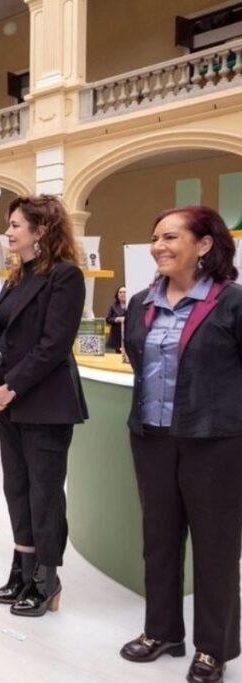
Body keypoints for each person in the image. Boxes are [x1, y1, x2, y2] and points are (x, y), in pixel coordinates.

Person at [119, 206, 242, 683]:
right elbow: (139, 363)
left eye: (170, 237)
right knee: (159, 540)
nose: (158, 246)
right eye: (155, 237)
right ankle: (162, 631)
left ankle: (213, 648)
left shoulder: (231, 303)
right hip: (152, 437)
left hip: (215, 442)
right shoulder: (140, 303)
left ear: (204, 244)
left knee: (215, 546)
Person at [0, 195, 87, 618]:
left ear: (41, 231)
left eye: (15, 225)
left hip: (45, 404)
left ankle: (46, 577)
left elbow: (53, 346)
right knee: (16, 488)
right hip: (10, 404)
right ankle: (22, 567)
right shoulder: (15, 277)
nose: (8, 232)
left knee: (45, 493)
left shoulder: (66, 276)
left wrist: (11, 387)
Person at [106, 286, 128, 352]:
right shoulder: (113, 306)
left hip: (128, 335)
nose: (122, 294)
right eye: (120, 292)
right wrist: (116, 319)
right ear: (117, 295)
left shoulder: (131, 305)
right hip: (117, 336)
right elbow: (108, 319)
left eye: (124, 292)